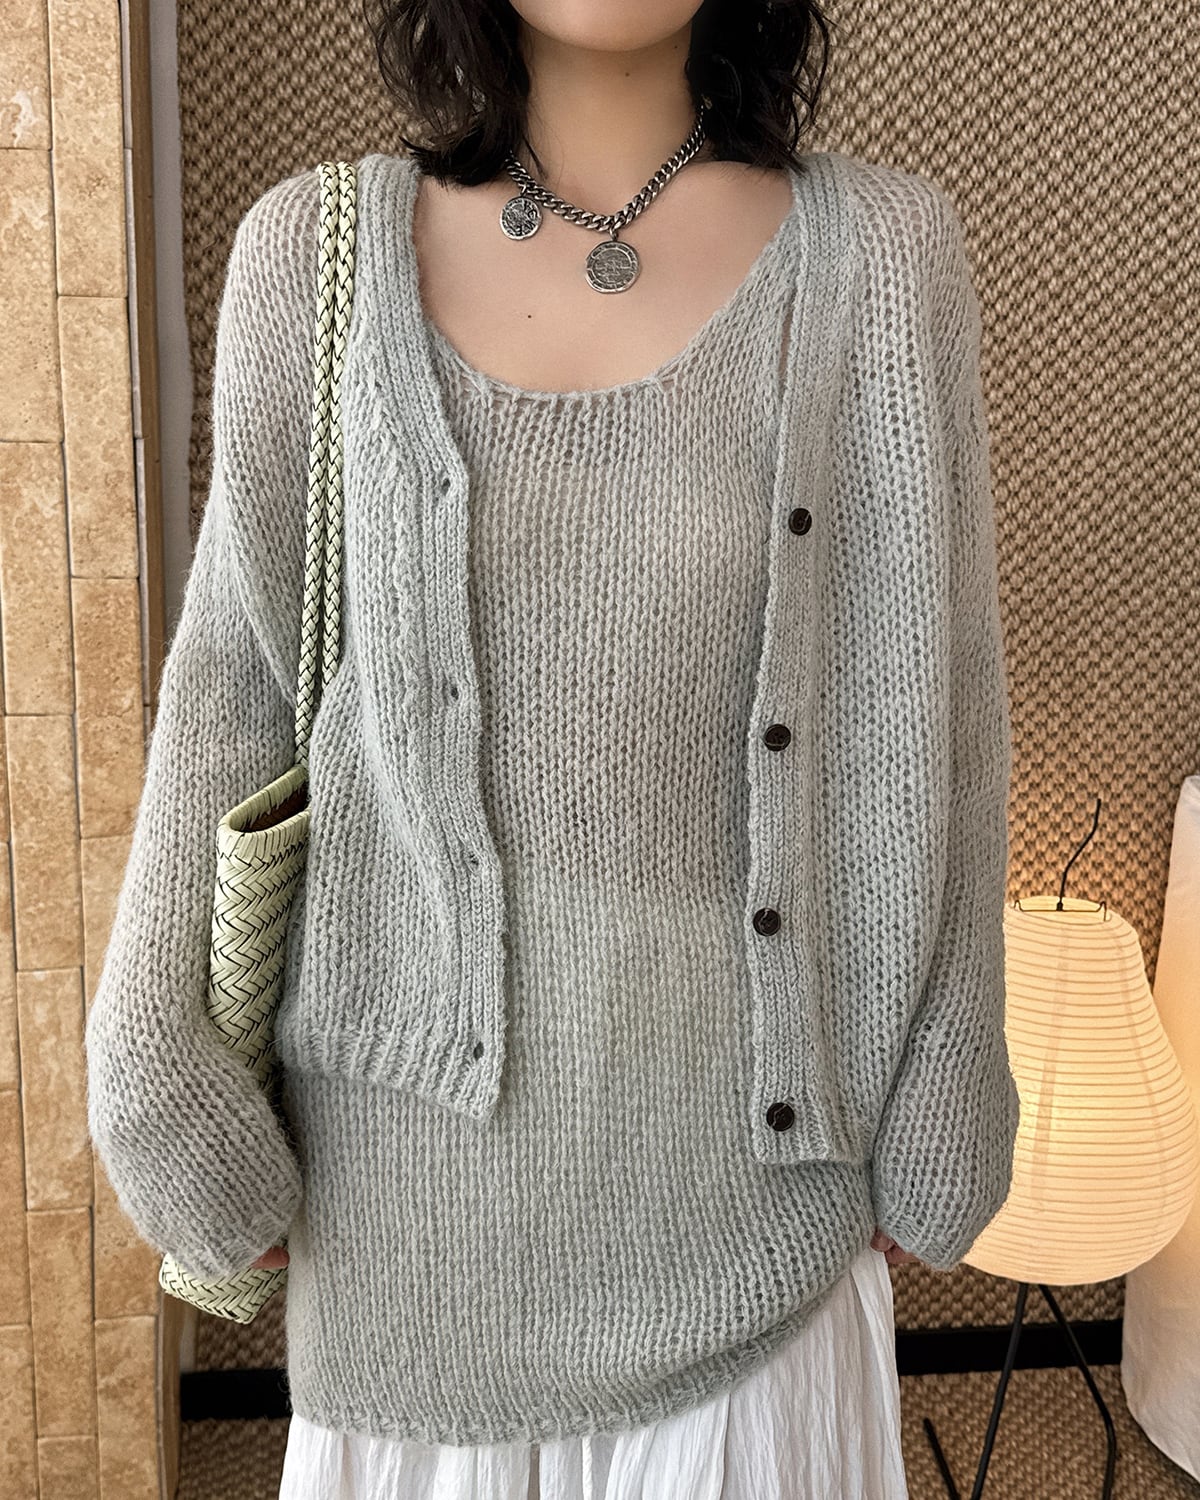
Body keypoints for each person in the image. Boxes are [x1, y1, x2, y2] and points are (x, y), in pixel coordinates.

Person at [84, 1, 1020, 1496]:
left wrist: (949, 1086)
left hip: (762, 1270)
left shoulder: (885, 261)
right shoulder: (313, 260)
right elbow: (228, 712)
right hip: (405, 1273)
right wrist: (156, 1075)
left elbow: (944, 716)